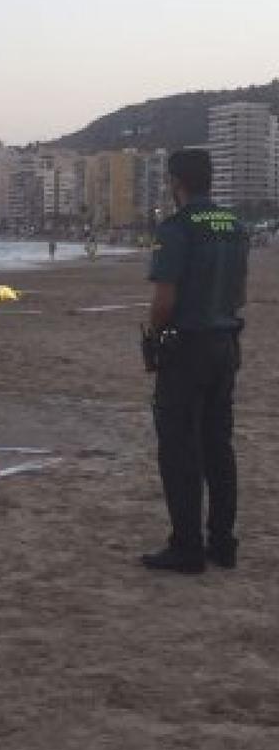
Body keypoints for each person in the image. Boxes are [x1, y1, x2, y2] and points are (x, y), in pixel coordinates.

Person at [141, 148, 249, 574]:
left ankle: (186, 548)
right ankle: (222, 543)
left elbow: (163, 299)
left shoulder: (177, 227)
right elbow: (238, 292)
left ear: (176, 182)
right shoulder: (234, 224)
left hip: (187, 347)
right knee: (218, 446)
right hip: (226, 343)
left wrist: (155, 338)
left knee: (180, 449)